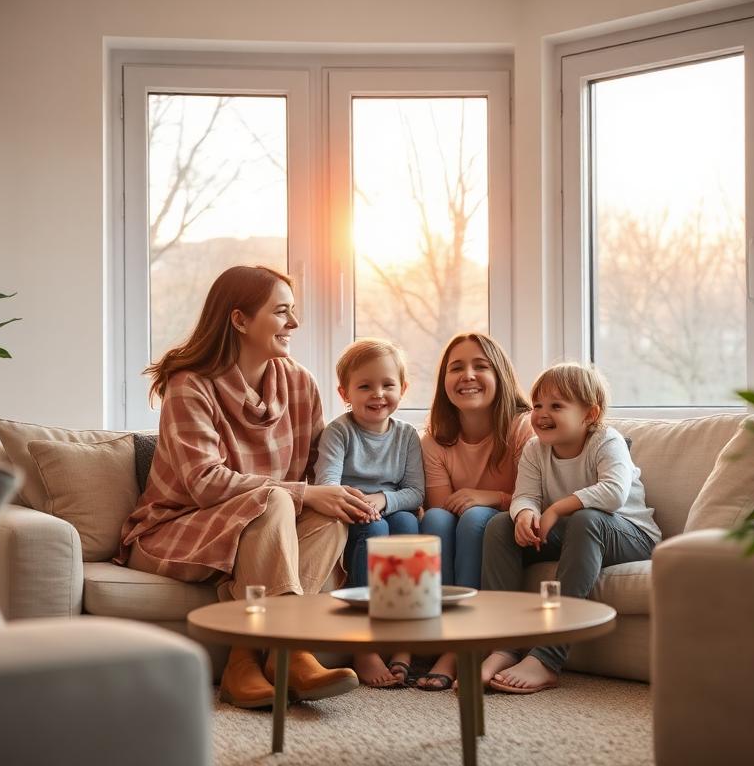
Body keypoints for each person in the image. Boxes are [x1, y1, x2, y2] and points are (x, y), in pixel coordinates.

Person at [116, 265, 373, 709]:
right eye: (281, 312)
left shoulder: (300, 383)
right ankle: (288, 652)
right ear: (239, 319)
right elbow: (203, 483)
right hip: (177, 529)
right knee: (275, 499)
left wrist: (347, 496)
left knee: (329, 515)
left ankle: (251, 658)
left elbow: (317, 472)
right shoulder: (189, 385)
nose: (294, 324)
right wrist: (301, 494)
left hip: (262, 531)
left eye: (293, 312)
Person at [479, 362, 661, 694]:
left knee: (585, 518)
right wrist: (524, 515)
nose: (542, 414)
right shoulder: (536, 448)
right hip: (577, 534)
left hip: (631, 536)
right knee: (499, 525)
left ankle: (547, 658)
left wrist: (557, 508)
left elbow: (613, 493)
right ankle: (503, 645)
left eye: (556, 406)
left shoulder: (607, 440)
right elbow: (525, 495)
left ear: (589, 414)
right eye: (537, 405)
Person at [417, 332, 534, 690]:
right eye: (456, 368)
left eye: (480, 366)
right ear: (444, 383)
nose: (467, 375)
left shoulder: (522, 427)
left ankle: (461, 645)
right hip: (462, 527)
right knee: (434, 518)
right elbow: (441, 509)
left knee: (476, 517)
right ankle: (439, 634)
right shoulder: (434, 440)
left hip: (507, 531)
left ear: (499, 375)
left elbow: (535, 495)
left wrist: (490, 497)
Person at [314, 338, 424, 688]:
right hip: (351, 514)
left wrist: (383, 500)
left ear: (402, 389)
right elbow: (328, 484)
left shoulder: (407, 435)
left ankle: (402, 637)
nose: (378, 394)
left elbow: (416, 492)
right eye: (365, 386)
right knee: (376, 534)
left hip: (388, 509)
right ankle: (361, 641)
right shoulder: (339, 432)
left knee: (407, 523)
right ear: (345, 392)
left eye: (388, 385)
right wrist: (364, 504)